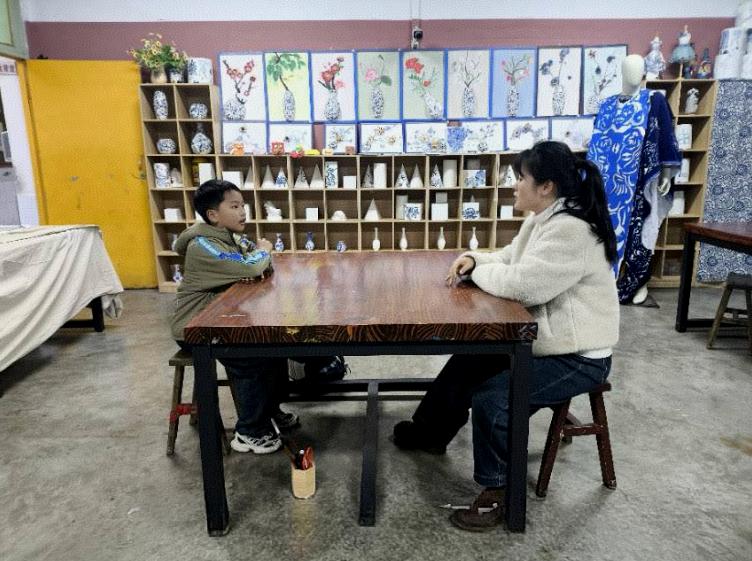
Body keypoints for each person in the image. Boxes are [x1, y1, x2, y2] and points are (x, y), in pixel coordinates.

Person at [392, 141, 620, 532]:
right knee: (468, 360)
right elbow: (510, 257)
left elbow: (523, 285)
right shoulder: (544, 218)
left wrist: (476, 271)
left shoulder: (571, 231)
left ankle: (498, 491)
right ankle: (430, 432)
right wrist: (475, 259)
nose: (514, 185)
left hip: (578, 357)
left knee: (494, 401)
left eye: (520, 178)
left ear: (546, 186)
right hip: (547, 342)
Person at [170, 179, 297, 455]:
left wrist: (260, 257)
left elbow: (262, 265)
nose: (243, 212)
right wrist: (262, 252)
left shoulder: (232, 238)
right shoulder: (203, 246)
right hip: (197, 327)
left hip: (224, 318)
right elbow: (253, 266)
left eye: (243, 206)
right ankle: (250, 431)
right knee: (250, 358)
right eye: (235, 206)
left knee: (275, 347)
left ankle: (268, 412)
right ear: (213, 214)